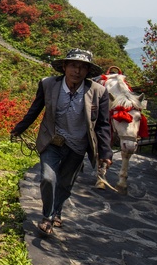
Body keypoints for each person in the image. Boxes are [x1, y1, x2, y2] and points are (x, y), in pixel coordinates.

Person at [10, 48, 113, 235]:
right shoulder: (48, 85)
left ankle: (57, 211)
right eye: (73, 65)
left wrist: (105, 152)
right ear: (64, 67)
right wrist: (19, 128)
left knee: (65, 184)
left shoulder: (99, 92)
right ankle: (47, 217)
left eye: (83, 68)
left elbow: (103, 125)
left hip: (77, 146)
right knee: (48, 179)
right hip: (52, 141)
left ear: (88, 72)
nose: (77, 71)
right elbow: (35, 109)